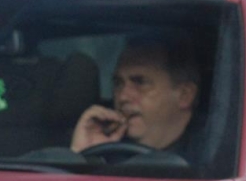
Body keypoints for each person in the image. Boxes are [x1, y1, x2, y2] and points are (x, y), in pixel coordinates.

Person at [70, 36, 201, 153]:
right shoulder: (109, 144)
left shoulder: (212, 162)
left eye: (140, 82)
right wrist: (85, 155)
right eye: (118, 83)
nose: (122, 97)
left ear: (185, 95)